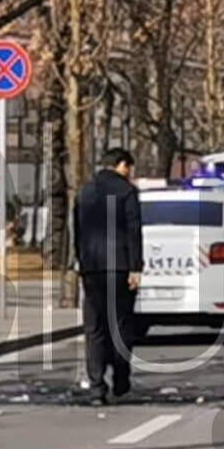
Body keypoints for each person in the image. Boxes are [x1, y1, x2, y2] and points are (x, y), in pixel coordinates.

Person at [75, 147, 144, 405]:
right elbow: (133, 230)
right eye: (130, 168)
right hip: (120, 266)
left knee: (94, 329)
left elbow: (78, 229)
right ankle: (121, 378)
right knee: (121, 324)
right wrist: (136, 267)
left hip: (91, 267)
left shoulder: (86, 191)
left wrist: (80, 261)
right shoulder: (126, 191)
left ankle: (96, 387)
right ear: (122, 165)